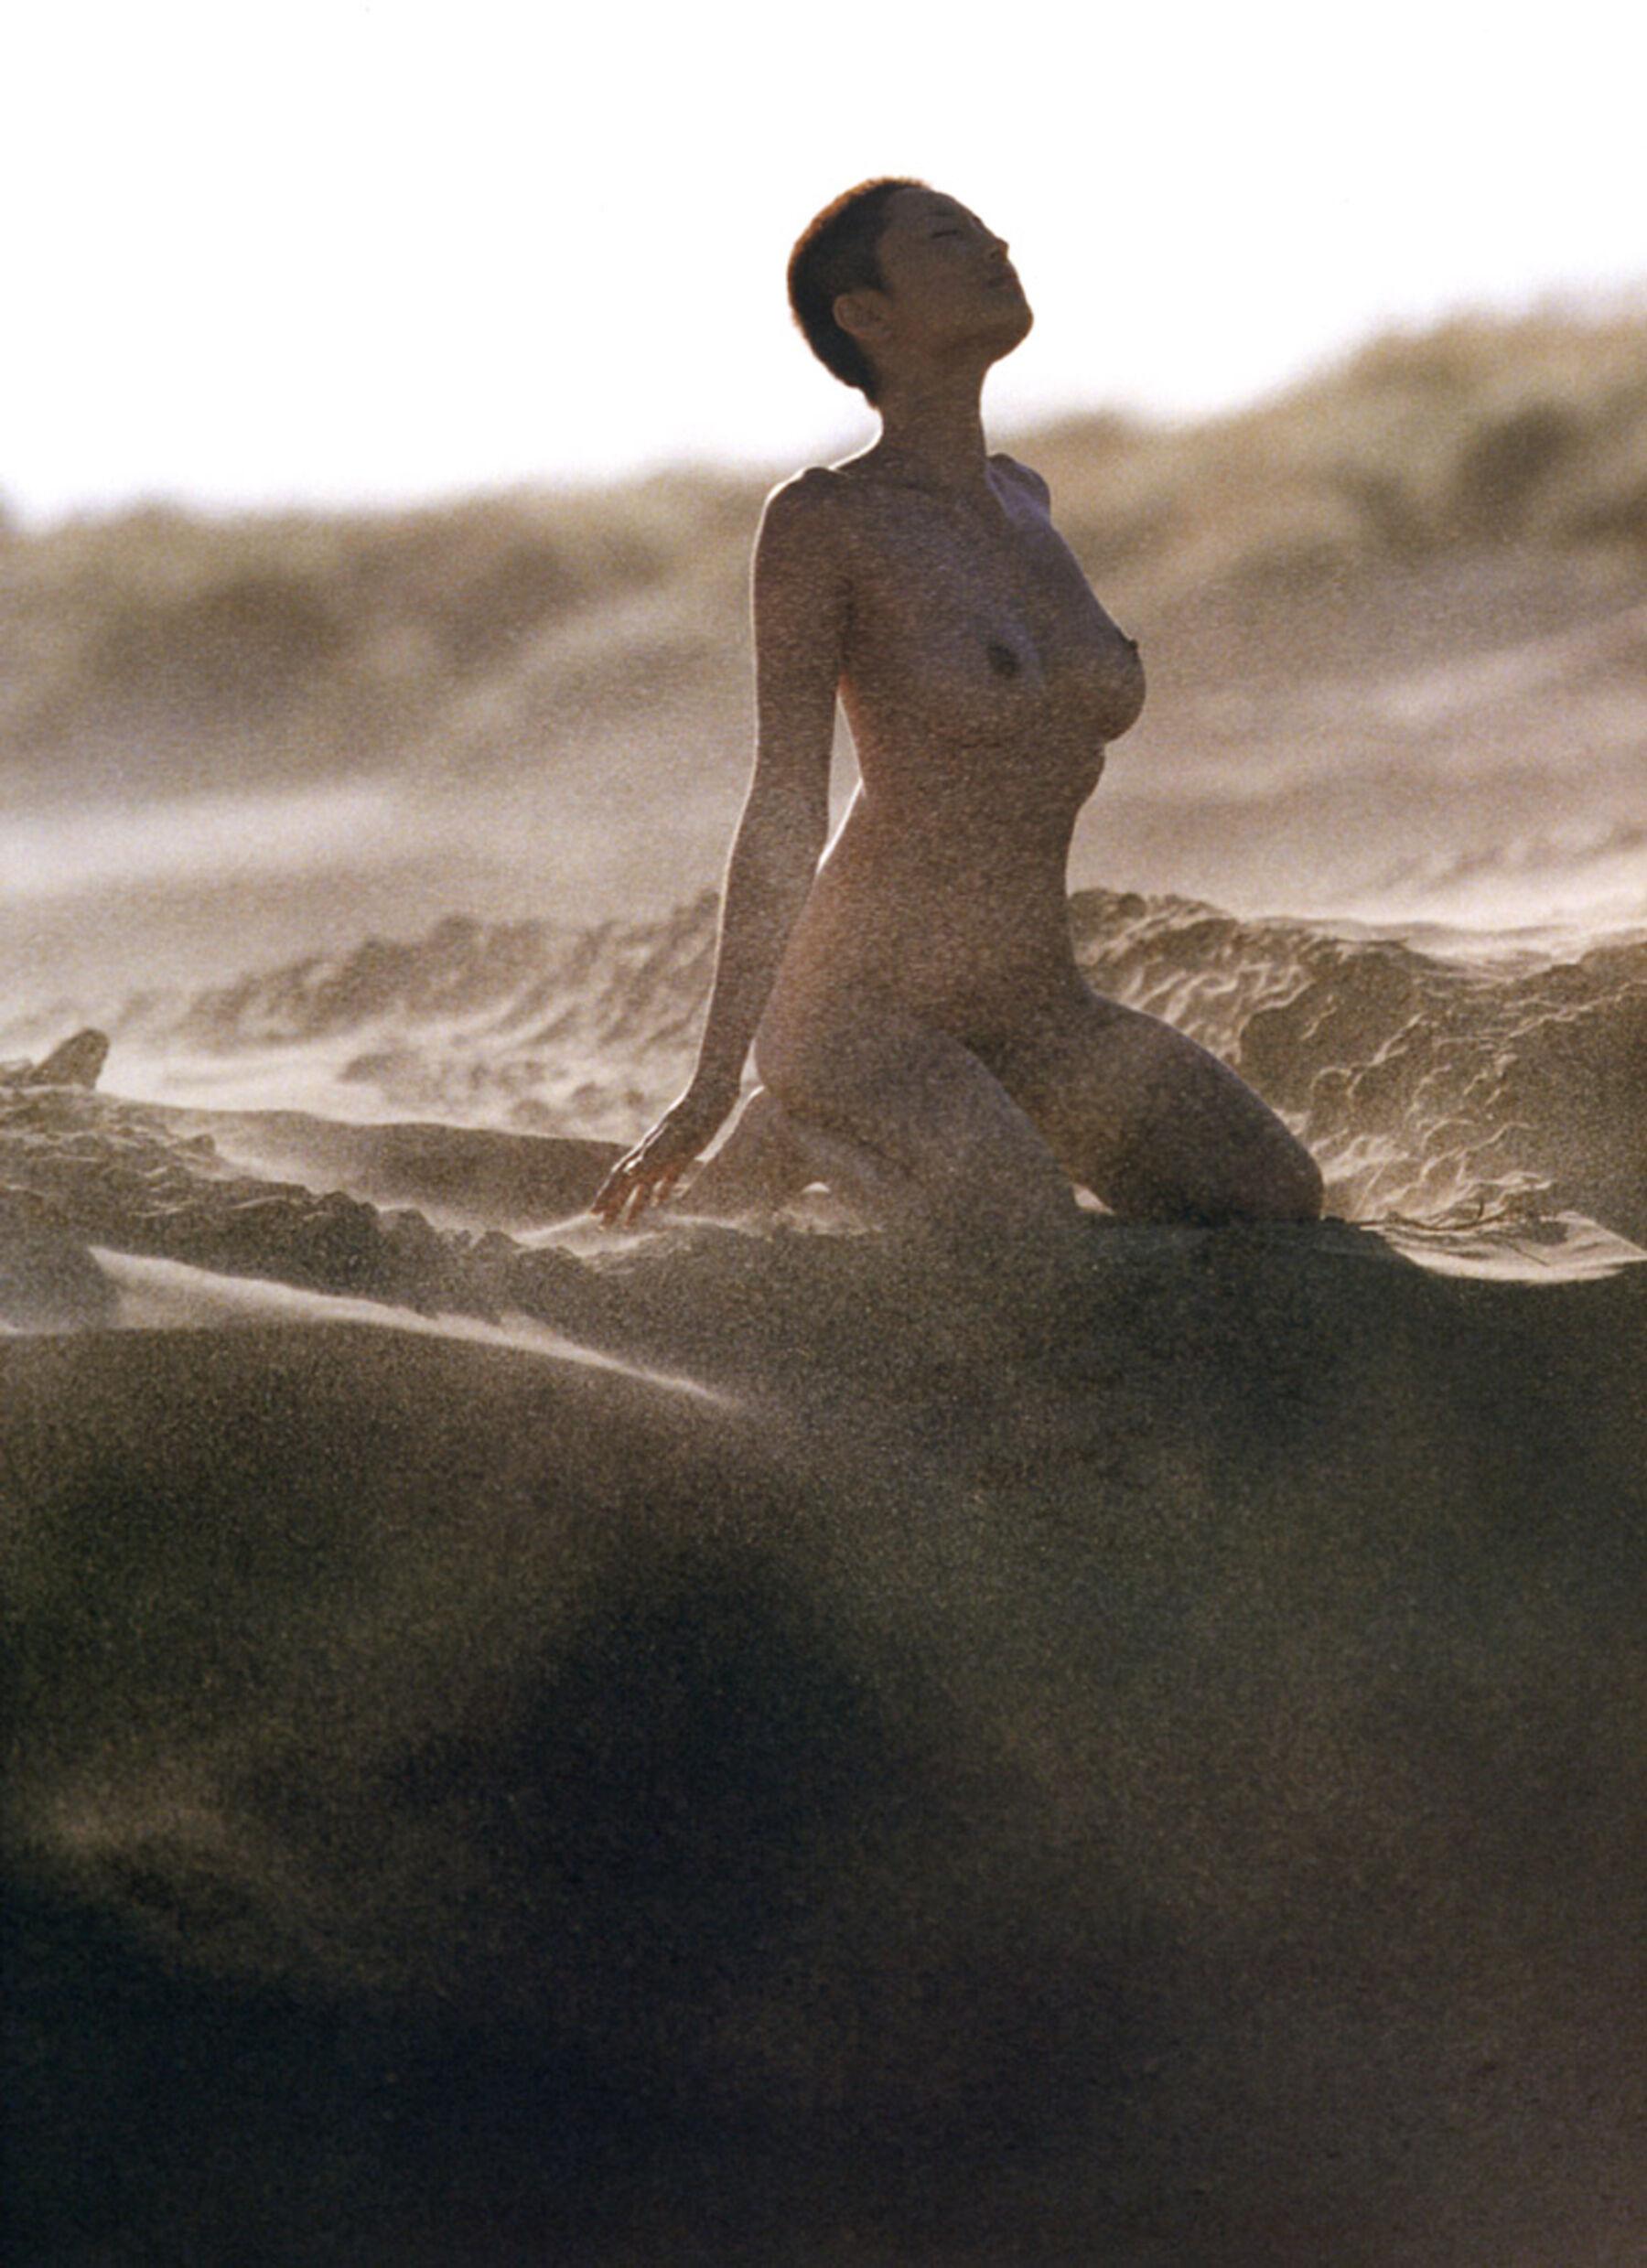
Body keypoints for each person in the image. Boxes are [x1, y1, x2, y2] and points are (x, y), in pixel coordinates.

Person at [592, 177, 1323, 1251]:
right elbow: (785, 799)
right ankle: (786, 1124)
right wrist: (708, 1084)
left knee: (1272, 1194)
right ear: (866, 313)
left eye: (986, 228)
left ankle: (962, 1131)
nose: (995, 245)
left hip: (1035, 1009)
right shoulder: (824, 518)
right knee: (1024, 1232)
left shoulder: (1027, 498)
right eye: (949, 237)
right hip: (855, 1015)